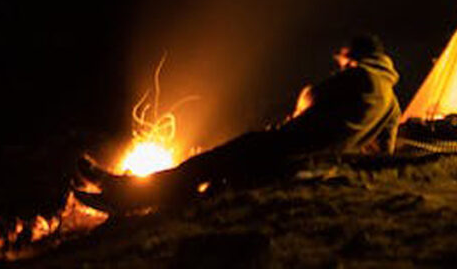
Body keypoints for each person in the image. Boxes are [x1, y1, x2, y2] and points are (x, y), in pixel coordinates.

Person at [76, 34, 400, 212]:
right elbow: (381, 151)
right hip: (317, 157)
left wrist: (304, 104)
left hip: (289, 149)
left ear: (354, 56)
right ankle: (143, 197)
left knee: (206, 163)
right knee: (213, 173)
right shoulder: (392, 101)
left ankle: (119, 192)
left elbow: (310, 99)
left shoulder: (358, 76)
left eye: (341, 60)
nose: (338, 65)